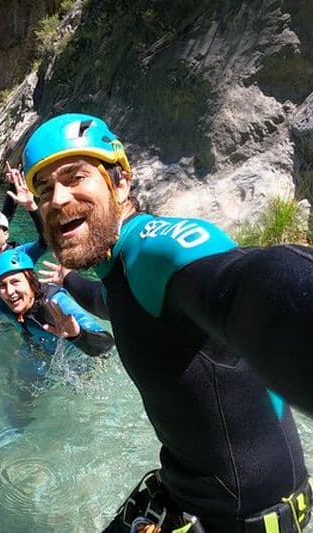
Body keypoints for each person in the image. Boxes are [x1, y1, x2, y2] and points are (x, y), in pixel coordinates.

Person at [23, 112, 312, 531]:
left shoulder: (151, 248)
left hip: (242, 520)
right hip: (182, 498)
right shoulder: (120, 274)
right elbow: (105, 300)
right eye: (46, 189)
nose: (58, 199)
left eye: (74, 177)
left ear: (120, 181)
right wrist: (63, 284)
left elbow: (247, 284)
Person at [0, 249, 114, 426]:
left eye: (15, 282)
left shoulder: (54, 303)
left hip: (80, 360)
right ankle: (17, 436)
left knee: (84, 411)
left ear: (31, 281)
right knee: (19, 399)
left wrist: (77, 335)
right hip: (38, 352)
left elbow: (106, 345)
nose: (10, 292)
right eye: (2, 285)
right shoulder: (5, 305)